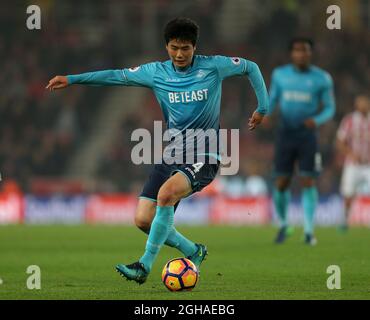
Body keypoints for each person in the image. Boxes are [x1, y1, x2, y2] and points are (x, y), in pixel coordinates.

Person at [46, 17, 269, 284]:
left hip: (205, 156)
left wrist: (262, 108)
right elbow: (116, 76)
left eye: (185, 48)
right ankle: (193, 250)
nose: (179, 54)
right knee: (142, 220)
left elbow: (251, 67)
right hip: (172, 155)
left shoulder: (212, 67)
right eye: (174, 47)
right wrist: (72, 79)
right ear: (166, 46)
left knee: (165, 195)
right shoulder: (156, 72)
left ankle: (144, 265)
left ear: (194, 47)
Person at [269, 37, 336, 245]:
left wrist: (316, 120)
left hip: (307, 136)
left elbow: (329, 108)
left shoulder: (322, 78)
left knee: (308, 180)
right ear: (291, 53)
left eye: (305, 50)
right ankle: (283, 224)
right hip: (285, 133)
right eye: (297, 50)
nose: (301, 54)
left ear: (311, 53)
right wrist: (264, 114)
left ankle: (308, 230)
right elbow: (272, 100)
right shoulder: (279, 75)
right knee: (281, 182)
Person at [336, 94, 370, 231]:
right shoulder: (349, 120)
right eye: (360, 103)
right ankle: (344, 220)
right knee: (348, 194)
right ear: (356, 106)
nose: (362, 106)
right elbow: (339, 142)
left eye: (365, 103)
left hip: (368, 164)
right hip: (353, 164)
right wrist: (351, 154)